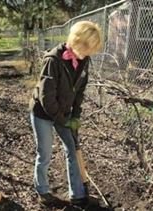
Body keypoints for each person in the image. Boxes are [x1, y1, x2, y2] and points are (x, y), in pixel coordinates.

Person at [28, 21, 103, 207]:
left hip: (64, 112)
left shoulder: (84, 60)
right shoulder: (53, 60)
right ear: (77, 42)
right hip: (43, 112)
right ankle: (43, 192)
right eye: (87, 48)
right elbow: (47, 98)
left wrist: (75, 116)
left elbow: (79, 92)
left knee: (72, 148)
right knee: (44, 152)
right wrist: (64, 120)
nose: (89, 53)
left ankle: (77, 194)